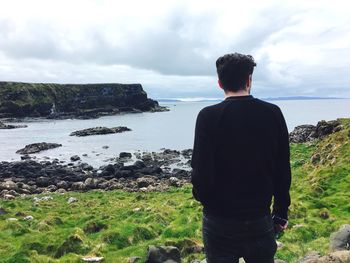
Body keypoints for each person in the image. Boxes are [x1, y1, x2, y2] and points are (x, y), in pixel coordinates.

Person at [190, 53, 291, 263]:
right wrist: (280, 212)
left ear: (219, 83)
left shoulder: (207, 116)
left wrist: (205, 200)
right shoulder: (273, 113)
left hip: (218, 220)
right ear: (249, 80)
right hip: (259, 217)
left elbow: (201, 170)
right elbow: (282, 168)